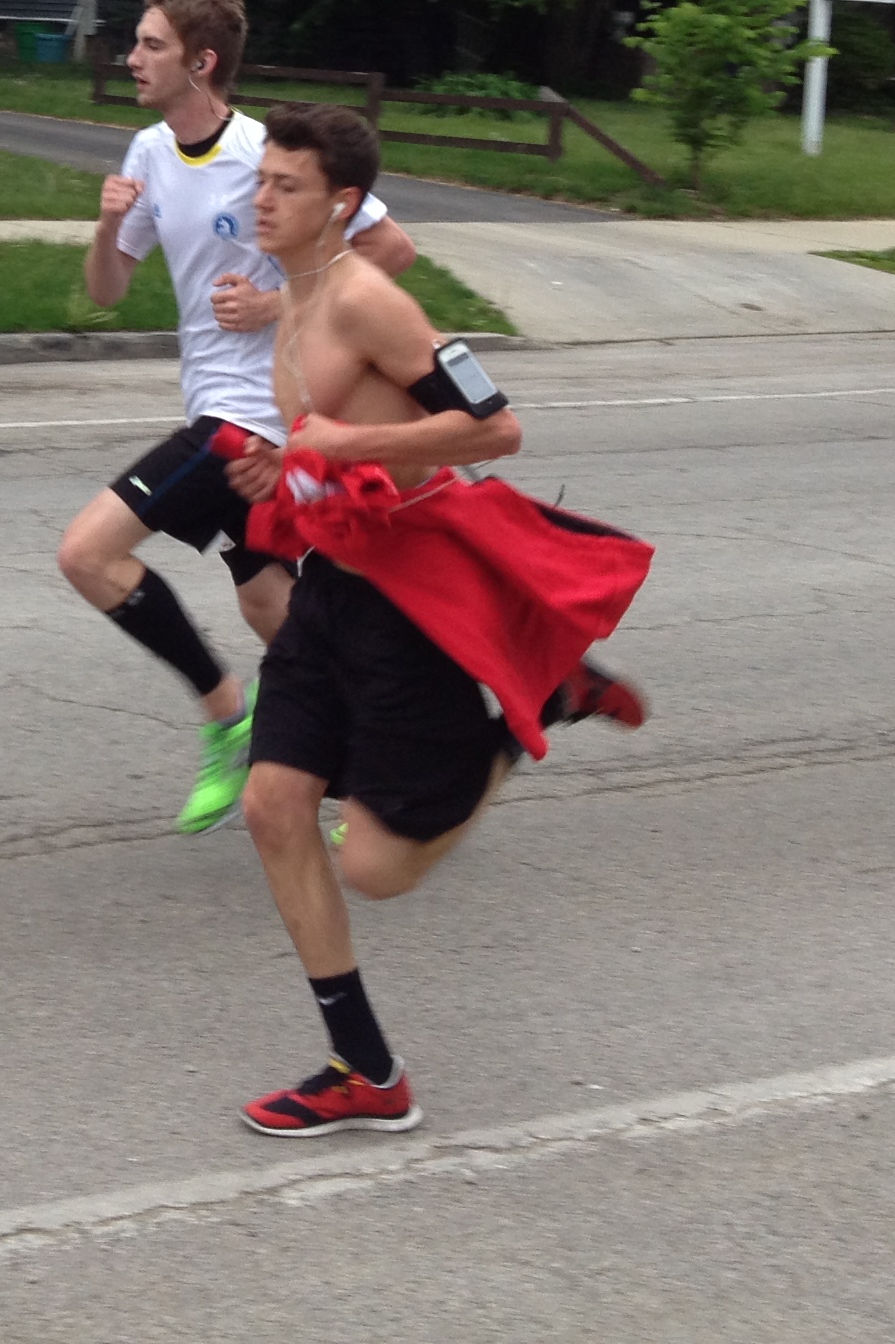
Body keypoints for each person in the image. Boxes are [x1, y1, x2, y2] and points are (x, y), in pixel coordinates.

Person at [230, 101, 645, 1139]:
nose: (261, 199)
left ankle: (538, 710)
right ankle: (365, 1072)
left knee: (376, 869)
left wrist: (340, 445)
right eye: (260, 180)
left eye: (285, 185)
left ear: (343, 203)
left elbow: (496, 428)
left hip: (405, 606)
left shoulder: (371, 302)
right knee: (274, 808)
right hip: (329, 586)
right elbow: (337, 434)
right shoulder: (292, 296)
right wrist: (290, 466)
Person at [62, 0, 422, 836]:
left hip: (254, 417)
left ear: (202, 62)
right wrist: (107, 227)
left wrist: (276, 305)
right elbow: (106, 292)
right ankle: (381, 774)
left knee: (87, 554)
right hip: (218, 403)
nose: (131, 59)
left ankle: (229, 718)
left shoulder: (269, 153)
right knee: (274, 607)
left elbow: (391, 246)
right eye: (136, 43)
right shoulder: (149, 151)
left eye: (150, 45)